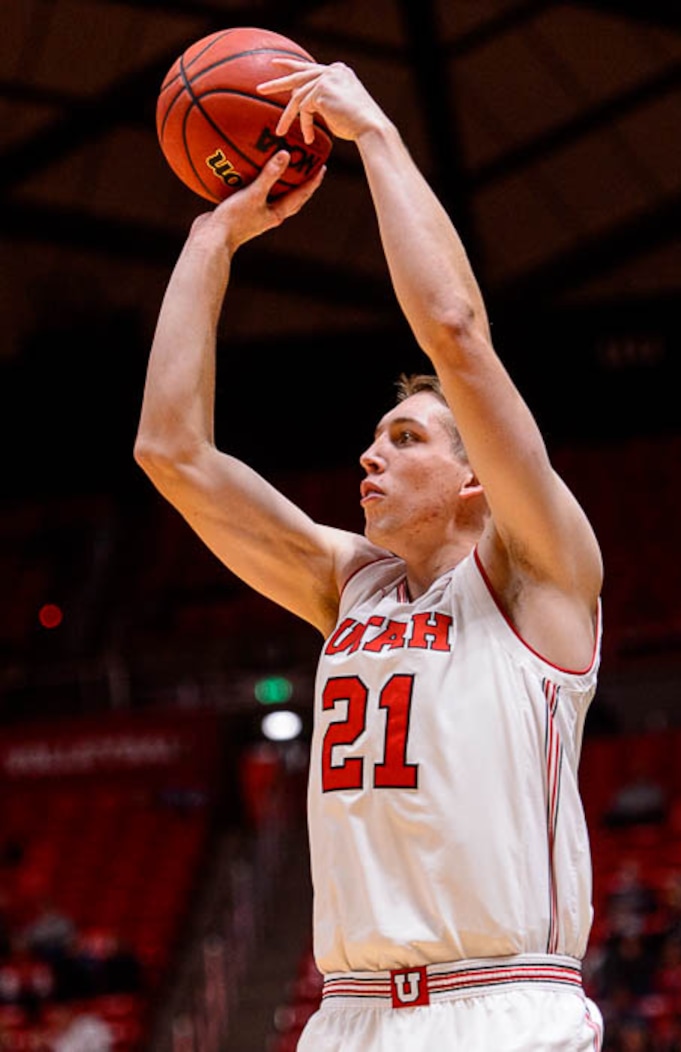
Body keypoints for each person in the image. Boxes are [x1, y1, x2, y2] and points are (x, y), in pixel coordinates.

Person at [135, 56, 605, 1052]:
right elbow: (169, 450)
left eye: (407, 437)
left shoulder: (540, 574)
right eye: (377, 434)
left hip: (500, 1005)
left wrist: (375, 136)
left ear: (476, 478)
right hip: (346, 1014)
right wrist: (210, 238)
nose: (370, 450)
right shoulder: (345, 582)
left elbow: (455, 333)